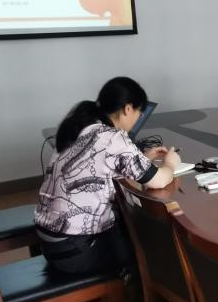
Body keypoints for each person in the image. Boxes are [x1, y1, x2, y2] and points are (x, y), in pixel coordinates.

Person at [35, 76, 178, 275]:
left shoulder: (81, 127)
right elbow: (159, 181)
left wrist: (142, 158)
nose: (138, 118)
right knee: (150, 243)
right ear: (128, 108)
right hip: (76, 251)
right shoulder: (114, 138)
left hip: (50, 243)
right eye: (139, 113)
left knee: (130, 226)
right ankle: (141, 291)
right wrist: (170, 163)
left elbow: (100, 163)